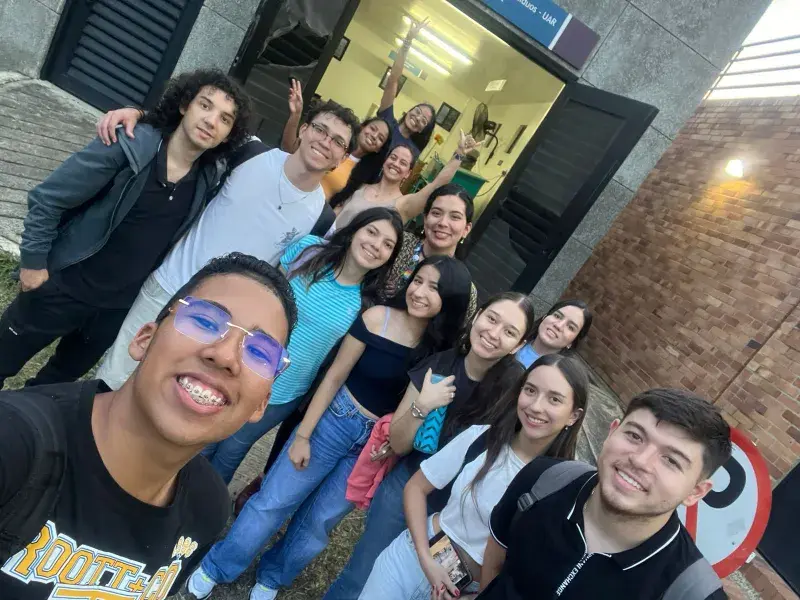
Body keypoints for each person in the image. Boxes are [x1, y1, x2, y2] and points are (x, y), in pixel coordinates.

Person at [0, 253, 298, 600]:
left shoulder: (207, 509)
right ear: (144, 339)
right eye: (205, 320)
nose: (226, 356)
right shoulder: (14, 445)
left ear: (261, 404)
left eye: (260, 353)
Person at [187, 255, 473, 600]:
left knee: (319, 522)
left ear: (450, 300)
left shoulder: (440, 353)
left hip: (373, 446)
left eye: (433, 288)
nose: (420, 291)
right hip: (335, 420)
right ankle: (218, 566)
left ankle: (273, 576)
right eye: (418, 281)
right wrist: (303, 435)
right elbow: (335, 376)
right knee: (274, 500)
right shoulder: (376, 318)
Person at [0, 69, 249, 389]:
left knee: (53, 388)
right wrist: (33, 264)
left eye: (225, 119)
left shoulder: (209, 176)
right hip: (63, 285)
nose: (211, 121)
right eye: (205, 105)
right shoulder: (130, 145)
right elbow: (48, 198)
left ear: (228, 135)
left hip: (113, 311)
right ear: (184, 105)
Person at [94, 99, 362, 390]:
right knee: (113, 376)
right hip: (168, 285)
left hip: (217, 320)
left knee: (168, 392)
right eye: (321, 130)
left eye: (338, 141)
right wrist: (139, 114)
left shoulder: (321, 220)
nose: (325, 142)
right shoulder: (251, 151)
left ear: (341, 159)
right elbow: (191, 131)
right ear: (304, 129)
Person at [323, 292, 537, 600]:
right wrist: (422, 406)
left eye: (509, 331)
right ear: (478, 315)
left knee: (426, 590)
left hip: (458, 513)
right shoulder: (440, 365)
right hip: (408, 487)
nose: (494, 333)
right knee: (363, 573)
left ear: (518, 345)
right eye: (492, 319)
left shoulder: (515, 393)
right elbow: (398, 443)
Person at [361, 354, 590, 599]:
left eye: (554, 399)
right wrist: (425, 558)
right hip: (409, 561)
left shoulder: (563, 488)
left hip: (462, 593)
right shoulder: (483, 438)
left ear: (574, 415)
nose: (536, 406)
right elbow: (416, 487)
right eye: (530, 390)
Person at [201, 207, 404, 483]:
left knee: (231, 451)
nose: (376, 245)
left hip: (285, 390)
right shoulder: (310, 250)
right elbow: (261, 294)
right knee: (206, 435)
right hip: (244, 364)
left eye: (388, 244)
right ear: (355, 230)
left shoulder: (367, 305)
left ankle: (200, 505)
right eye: (372, 232)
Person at [480, 388, 732, 599]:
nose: (640, 460)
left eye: (671, 460)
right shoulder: (544, 479)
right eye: (634, 436)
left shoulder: (690, 592)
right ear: (612, 432)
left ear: (695, 492)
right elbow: (495, 559)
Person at [330, 130, 479, 232]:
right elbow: (336, 212)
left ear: (408, 173)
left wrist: (459, 154)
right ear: (385, 161)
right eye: (393, 158)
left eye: (403, 163)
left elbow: (436, 185)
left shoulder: (404, 204)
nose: (395, 164)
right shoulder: (362, 186)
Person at [281, 79, 392, 200]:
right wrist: (295, 115)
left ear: (379, 149)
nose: (374, 136)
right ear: (363, 127)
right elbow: (290, 149)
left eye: (380, 138)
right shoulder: (327, 141)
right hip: (288, 188)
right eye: (373, 129)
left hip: (315, 206)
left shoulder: (366, 174)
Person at [378, 18, 436, 153]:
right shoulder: (387, 120)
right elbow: (393, 79)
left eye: (424, 120)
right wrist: (407, 41)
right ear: (409, 111)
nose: (418, 118)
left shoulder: (411, 151)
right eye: (417, 112)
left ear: (422, 130)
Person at [516, 300, 594, 368]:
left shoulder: (557, 376)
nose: (558, 325)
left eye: (570, 327)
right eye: (557, 316)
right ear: (545, 316)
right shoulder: (514, 338)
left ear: (573, 342)